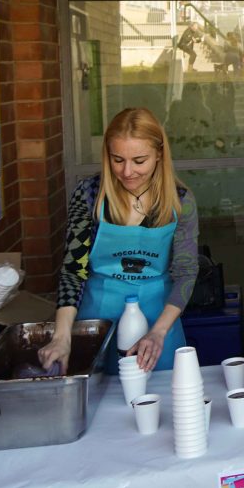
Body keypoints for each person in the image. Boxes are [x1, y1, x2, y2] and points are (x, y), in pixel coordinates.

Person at [39, 107, 199, 373]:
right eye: (117, 160)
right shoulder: (90, 195)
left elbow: (186, 272)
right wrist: (61, 336)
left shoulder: (180, 202)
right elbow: (73, 270)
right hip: (97, 321)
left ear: (159, 154)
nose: (127, 172)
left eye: (139, 161)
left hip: (158, 319)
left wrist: (158, 333)